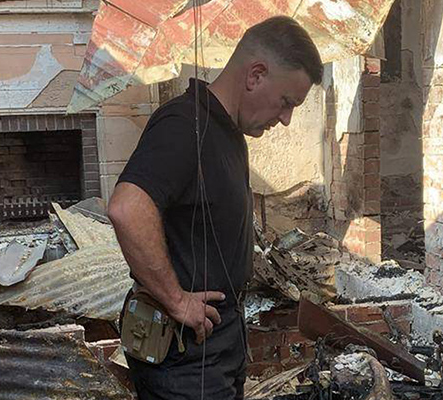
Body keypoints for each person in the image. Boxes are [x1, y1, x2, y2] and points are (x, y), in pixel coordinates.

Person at [107, 15, 323, 400]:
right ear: (255, 75)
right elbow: (128, 208)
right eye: (287, 102)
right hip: (185, 357)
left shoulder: (227, 132)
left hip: (216, 346)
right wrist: (176, 300)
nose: (287, 119)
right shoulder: (183, 125)